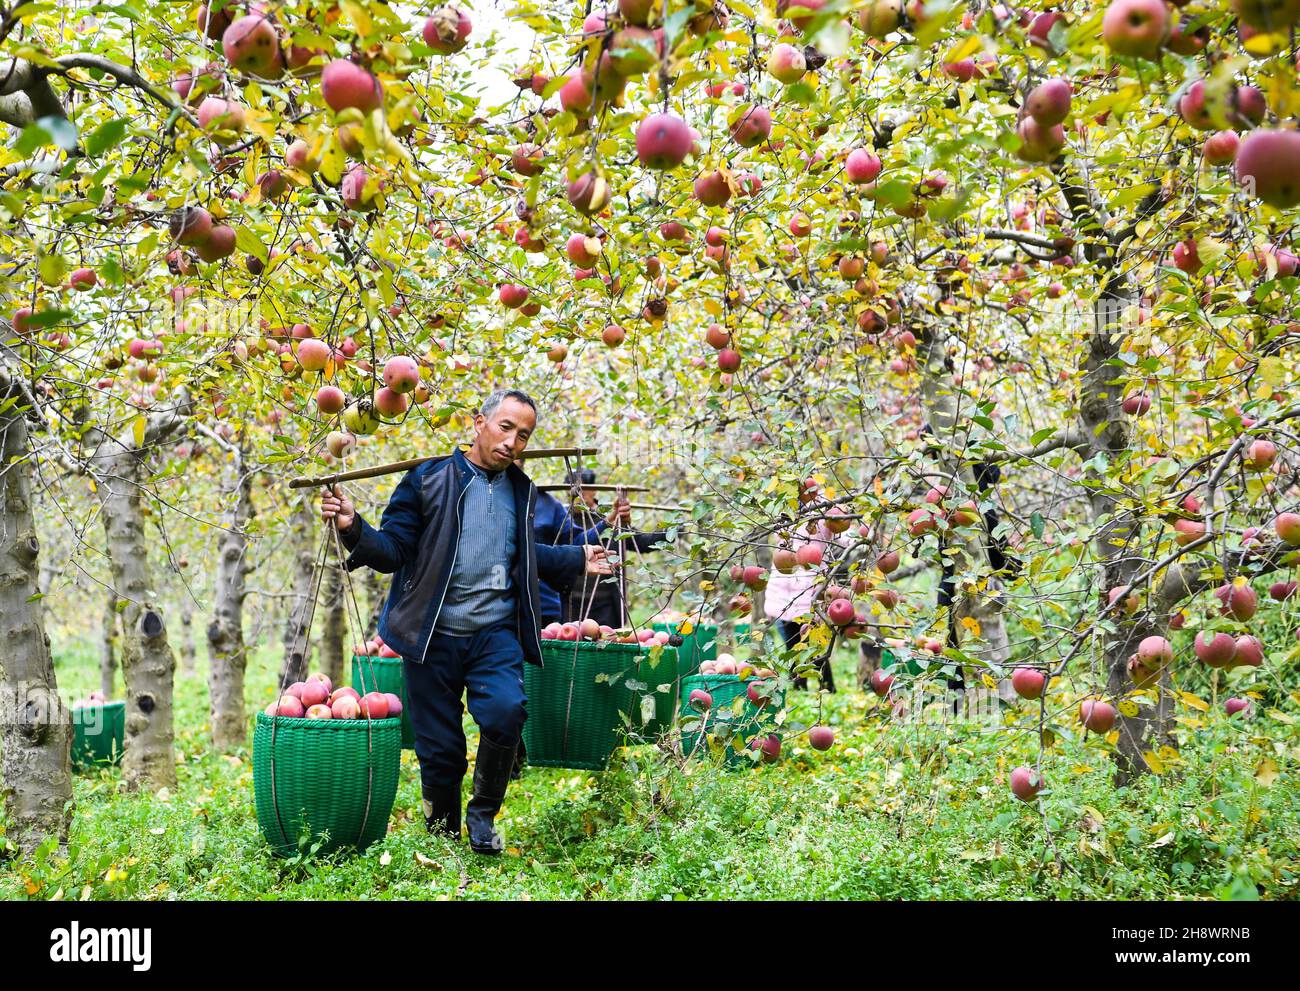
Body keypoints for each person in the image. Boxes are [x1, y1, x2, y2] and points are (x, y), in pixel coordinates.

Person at [319, 389, 611, 855]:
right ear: (479, 423)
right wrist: (355, 526)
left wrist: (577, 556)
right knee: (440, 749)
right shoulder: (429, 479)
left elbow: (520, 555)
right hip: (431, 634)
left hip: (494, 632)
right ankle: (442, 835)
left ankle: (482, 815)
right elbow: (393, 551)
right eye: (506, 427)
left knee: (506, 710)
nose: (513, 442)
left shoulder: (522, 490)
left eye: (524, 435)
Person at [562, 470, 669, 629]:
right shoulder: (562, 519)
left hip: (606, 605)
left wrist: (673, 531)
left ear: (594, 490)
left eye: (582, 489)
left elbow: (642, 542)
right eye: (572, 490)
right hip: (569, 603)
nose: (577, 494)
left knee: (607, 647)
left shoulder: (611, 518)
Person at [763, 520, 846, 692]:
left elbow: (842, 536)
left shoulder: (823, 511)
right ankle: (799, 684)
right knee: (792, 642)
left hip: (810, 584)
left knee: (812, 640)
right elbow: (778, 537)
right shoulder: (787, 509)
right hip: (784, 583)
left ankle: (827, 685)